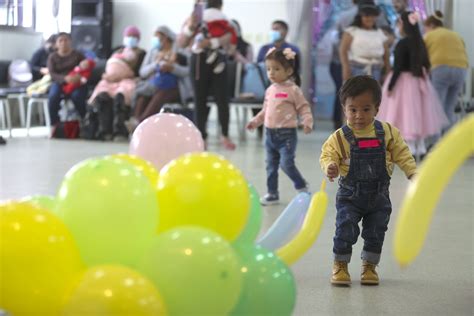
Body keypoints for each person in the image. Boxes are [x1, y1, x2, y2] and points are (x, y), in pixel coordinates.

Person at [320, 75, 416, 286]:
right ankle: (340, 264)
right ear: (344, 109)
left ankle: (369, 266)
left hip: (379, 195)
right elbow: (327, 155)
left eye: (366, 109)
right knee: (345, 229)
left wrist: (412, 172)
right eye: (353, 109)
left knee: (376, 232)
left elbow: (402, 153)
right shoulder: (339, 137)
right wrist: (330, 166)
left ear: (377, 108)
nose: (359, 116)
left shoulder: (388, 132)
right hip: (350, 195)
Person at [247, 48, 313, 205]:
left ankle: (301, 185)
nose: (271, 73)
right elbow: (265, 111)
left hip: (286, 135)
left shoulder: (293, 90)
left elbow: (303, 107)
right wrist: (255, 122)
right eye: (268, 69)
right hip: (269, 135)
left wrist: (307, 121)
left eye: (276, 69)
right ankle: (272, 193)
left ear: (289, 70)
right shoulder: (270, 90)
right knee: (270, 166)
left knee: (286, 164)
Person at [377, 11, 448, 158]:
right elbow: (427, 64)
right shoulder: (421, 42)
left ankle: (409, 147)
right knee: (419, 112)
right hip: (419, 81)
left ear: (404, 25)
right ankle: (419, 145)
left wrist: (390, 86)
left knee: (404, 113)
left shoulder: (402, 43)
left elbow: (398, 67)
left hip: (402, 82)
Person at [188, 0, 236, 150]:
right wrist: (217, 42)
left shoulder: (195, 20)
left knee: (199, 100)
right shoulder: (228, 24)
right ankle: (225, 135)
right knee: (222, 100)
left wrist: (208, 42)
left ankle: (201, 138)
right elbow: (231, 50)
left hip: (198, 61)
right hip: (218, 62)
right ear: (221, 5)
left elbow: (183, 41)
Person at [88, 26, 146, 141]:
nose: (131, 38)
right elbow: (108, 66)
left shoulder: (142, 54)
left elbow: (139, 73)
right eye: (129, 36)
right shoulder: (117, 50)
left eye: (134, 37)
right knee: (103, 95)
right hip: (109, 80)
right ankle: (104, 130)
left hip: (127, 80)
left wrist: (120, 76)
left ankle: (119, 131)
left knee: (121, 97)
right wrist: (106, 75)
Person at [129, 25, 192, 128]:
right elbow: (142, 72)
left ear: (166, 38)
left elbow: (188, 71)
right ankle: (137, 122)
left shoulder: (180, 51)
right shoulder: (152, 52)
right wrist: (155, 65)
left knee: (161, 94)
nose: (155, 40)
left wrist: (172, 68)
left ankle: (141, 124)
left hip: (175, 87)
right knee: (143, 95)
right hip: (154, 84)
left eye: (157, 37)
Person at [423, 10, 469, 130]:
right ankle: (449, 140)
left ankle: (435, 142)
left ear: (431, 26)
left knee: (436, 107)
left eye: (425, 28)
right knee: (449, 107)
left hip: (441, 68)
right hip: (462, 69)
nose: (425, 30)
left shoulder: (429, 35)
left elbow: (422, 55)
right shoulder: (455, 34)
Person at [339, 0, 391, 82]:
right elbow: (343, 51)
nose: (370, 19)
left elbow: (386, 54)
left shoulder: (379, 33)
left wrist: (387, 70)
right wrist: (346, 68)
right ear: (360, 17)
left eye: (372, 16)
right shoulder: (351, 31)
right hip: (356, 69)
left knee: (374, 94)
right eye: (367, 16)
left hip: (376, 70)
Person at [47, 32, 87, 126]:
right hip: (59, 82)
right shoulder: (52, 57)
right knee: (53, 96)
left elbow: (86, 68)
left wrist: (79, 76)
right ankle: (55, 124)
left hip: (76, 82)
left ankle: (85, 120)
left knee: (77, 96)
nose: (63, 43)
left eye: (66, 40)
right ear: (56, 44)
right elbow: (52, 74)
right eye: (60, 40)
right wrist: (65, 78)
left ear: (70, 42)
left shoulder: (78, 55)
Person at [192, 2, 237, 74]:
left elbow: (193, 32)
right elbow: (233, 38)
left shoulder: (201, 16)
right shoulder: (226, 19)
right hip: (219, 48)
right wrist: (230, 51)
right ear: (221, 6)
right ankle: (218, 57)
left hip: (200, 55)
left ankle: (212, 53)